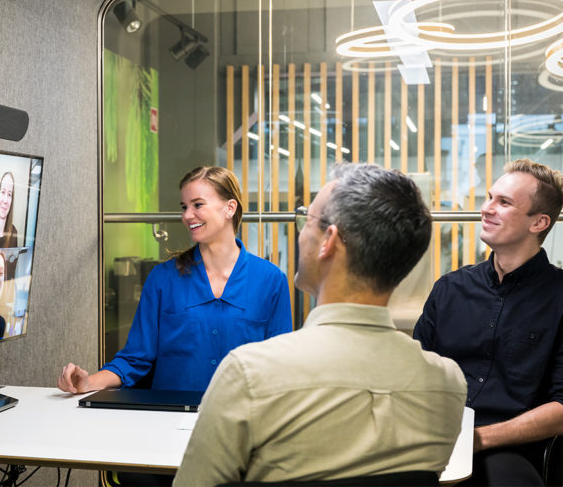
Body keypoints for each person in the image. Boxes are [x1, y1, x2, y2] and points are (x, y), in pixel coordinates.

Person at [174, 163, 467, 486]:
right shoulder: (447, 386)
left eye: (306, 221)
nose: (301, 233)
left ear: (329, 240)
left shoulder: (249, 375)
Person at [58, 166, 292, 394]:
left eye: (198, 205)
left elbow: (279, 367)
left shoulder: (271, 281)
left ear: (230, 208)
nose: (187, 215)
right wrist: (88, 383)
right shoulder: (162, 280)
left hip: (242, 423)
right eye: (184, 207)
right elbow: (135, 359)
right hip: (170, 420)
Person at [413, 159, 563, 486]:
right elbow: (415, 376)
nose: (487, 209)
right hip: (436, 441)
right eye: (489, 197)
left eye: (504, 202)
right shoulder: (449, 289)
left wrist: (478, 438)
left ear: (539, 222)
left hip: (512, 450)